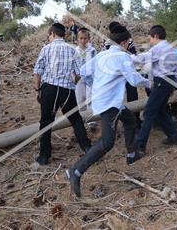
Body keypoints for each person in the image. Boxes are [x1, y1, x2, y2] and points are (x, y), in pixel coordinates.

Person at [65, 25, 151, 197]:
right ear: (125, 42)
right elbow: (134, 80)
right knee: (107, 142)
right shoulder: (121, 56)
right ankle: (76, 171)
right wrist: (151, 83)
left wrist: (93, 84)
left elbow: (83, 71)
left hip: (108, 100)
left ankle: (131, 153)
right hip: (109, 104)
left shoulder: (102, 54)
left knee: (130, 121)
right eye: (129, 42)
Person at [33, 23, 91, 166]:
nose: (49, 37)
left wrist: (37, 89)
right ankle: (87, 148)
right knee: (76, 119)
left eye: (49, 35)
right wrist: (72, 83)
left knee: (46, 122)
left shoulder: (46, 49)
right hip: (66, 90)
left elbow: (37, 72)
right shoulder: (72, 50)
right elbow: (79, 73)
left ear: (52, 34)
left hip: (49, 89)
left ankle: (44, 156)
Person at [132, 25, 177, 156]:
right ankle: (174, 137)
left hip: (162, 82)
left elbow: (141, 59)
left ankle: (140, 147)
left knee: (149, 112)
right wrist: (174, 84)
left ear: (155, 36)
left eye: (150, 38)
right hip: (168, 81)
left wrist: (124, 57)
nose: (149, 41)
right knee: (160, 111)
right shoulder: (172, 48)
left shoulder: (158, 49)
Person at [75, 28, 97, 112]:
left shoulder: (92, 50)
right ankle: (83, 117)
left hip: (90, 77)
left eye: (85, 38)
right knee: (80, 98)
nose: (83, 40)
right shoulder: (75, 51)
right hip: (79, 78)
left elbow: (95, 63)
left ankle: (91, 120)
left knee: (90, 97)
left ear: (88, 39)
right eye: (81, 38)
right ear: (78, 39)